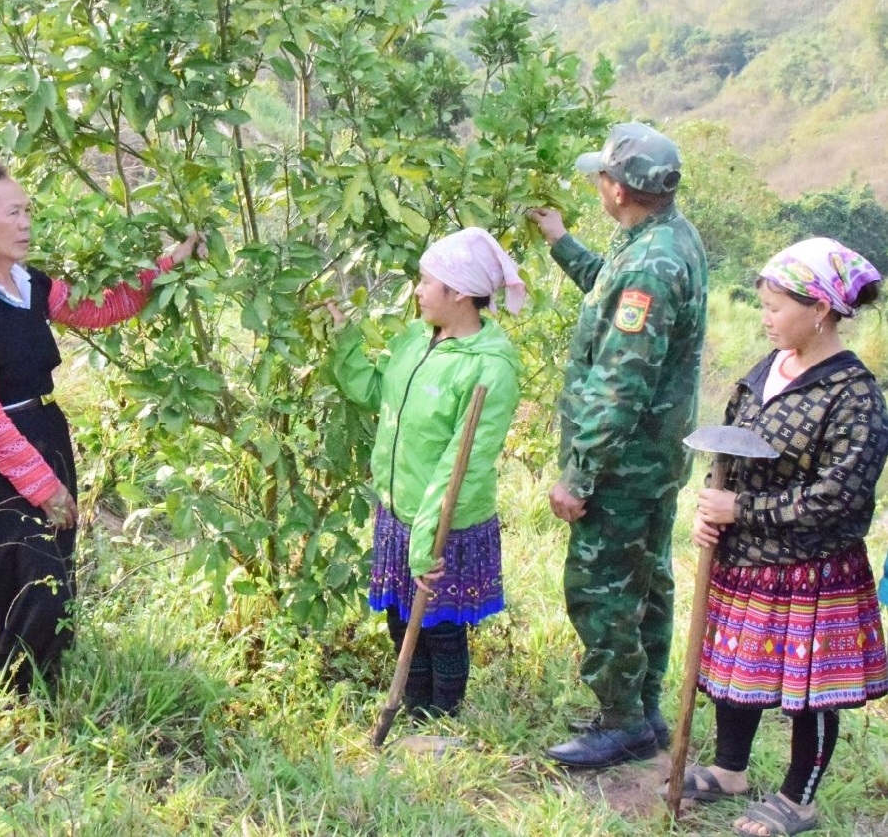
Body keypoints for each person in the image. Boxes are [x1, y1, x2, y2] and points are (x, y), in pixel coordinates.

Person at [0, 164, 203, 697]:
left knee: (55, 561)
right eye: (14, 212)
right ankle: (13, 695)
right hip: (3, 447)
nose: (27, 222)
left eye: (28, 209)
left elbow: (100, 308)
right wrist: (41, 484)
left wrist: (168, 263)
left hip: (42, 427)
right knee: (22, 570)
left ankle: (48, 680)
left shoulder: (28, 283)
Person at [675, 238, 888, 836]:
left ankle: (799, 797)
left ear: (819, 309)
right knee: (735, 668)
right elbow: (729, 451)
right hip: (746, 559)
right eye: (762, 305)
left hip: (812, 567)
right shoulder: (766, 370)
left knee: (810, 688)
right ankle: (729, 770)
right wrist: (711, 511)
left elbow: (841, 494)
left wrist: (744, 508)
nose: (765, 317)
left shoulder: (853, 394)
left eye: (775, 306)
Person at [527, 121, 708, 768]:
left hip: (625, 464)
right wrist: (562, 244)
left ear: (620, 188)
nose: (597, 185)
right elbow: (614, 292)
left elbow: (621, 383)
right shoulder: (661, 241)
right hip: (654, 462)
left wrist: (579, 474)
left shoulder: (653, 265)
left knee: (601, 587)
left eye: (601, 176)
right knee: (647, 582)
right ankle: (644, 711)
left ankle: (622, 720)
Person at [329, 227, 524, 719]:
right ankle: (413, 705)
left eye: (426, 281)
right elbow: (378, 395)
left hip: (442, 520)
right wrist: (345, 342)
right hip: (399, 508)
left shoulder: (489, 369)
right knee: (400, 618)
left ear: (458, 292)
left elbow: (464, 464)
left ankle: (442, 718)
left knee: (439, 624)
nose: (417, 290)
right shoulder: (417, 340)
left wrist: (425, 538)